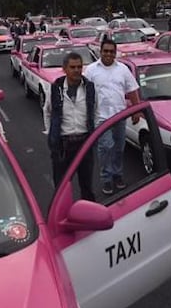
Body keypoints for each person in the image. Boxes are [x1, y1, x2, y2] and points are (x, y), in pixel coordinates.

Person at [83, 38, 140, 195]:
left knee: (119, 149)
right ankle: (106, 178)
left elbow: (132, 90)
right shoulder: (91, 70)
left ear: (115, 53)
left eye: (111, 51)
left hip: (119, 117)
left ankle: (117, 175)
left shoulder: (123, 69)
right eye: (105, 51)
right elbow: (84, 94)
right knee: (106, 147)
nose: (108, 54)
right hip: (100, 118)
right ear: (100, 52)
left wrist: (136, 110)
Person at [43, 52, 97, 201]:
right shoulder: (55, 89)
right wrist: (50, 134)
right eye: (72, 67)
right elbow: (47, 111)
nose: (77, 70)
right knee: (61, 186)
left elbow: (96, 111)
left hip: (84, 143)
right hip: (63, 145)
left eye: (79, 67)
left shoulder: (90, 88)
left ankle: (89, 215)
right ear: (65, 69)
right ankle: (62, 215)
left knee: (86, 184)